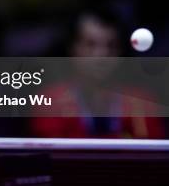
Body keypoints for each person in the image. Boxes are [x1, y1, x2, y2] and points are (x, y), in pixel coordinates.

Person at [29, 8, 165, 139]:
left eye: (111, 45)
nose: (102, 55)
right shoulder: (50, 102)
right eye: (90, 45)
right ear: (73, 49)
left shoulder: (143, 104)